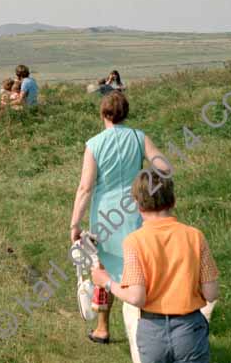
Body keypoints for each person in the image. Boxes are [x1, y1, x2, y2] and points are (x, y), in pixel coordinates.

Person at [69, 91, 168, 354]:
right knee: (137, 265)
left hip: (105, 215)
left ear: (103, 114)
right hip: (136, 210)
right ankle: (145, 324)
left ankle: (102, 327)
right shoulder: (138, 137)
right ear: (125, 113)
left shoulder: (94, 144)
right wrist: (143, 180)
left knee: (103, 269)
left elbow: (85, 188)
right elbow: (164, 167)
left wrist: (74, 225)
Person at [91, 173, 219, 363]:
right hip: (189, 329)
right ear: (173, 200)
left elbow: (136, 297)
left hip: (152, 332)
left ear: (137, 203)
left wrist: (106, 281)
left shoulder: (134, 242)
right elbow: (211, 293)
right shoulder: (195, 236)